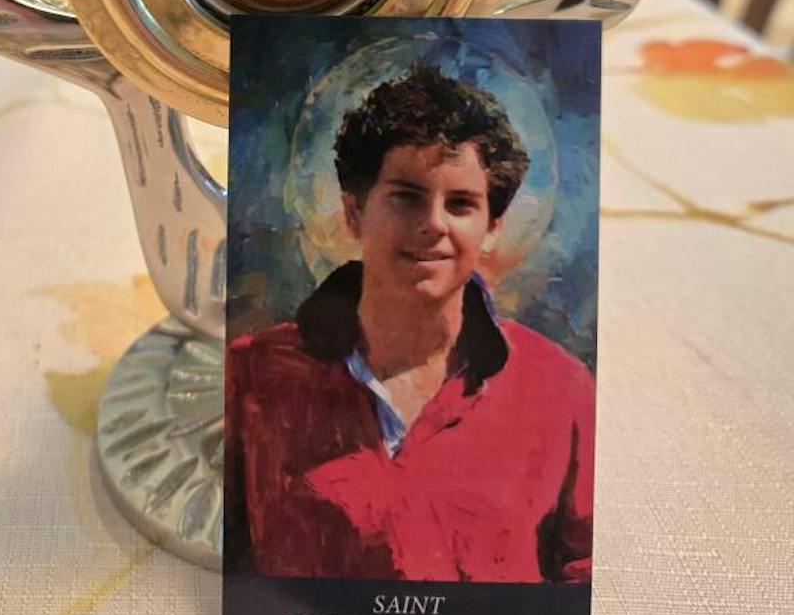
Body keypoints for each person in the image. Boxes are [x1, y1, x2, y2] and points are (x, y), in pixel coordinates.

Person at [225, 63, 594, 583]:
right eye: (406, 197)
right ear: (355, 212)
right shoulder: (252, 375)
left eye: (461, 204)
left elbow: (582, 579)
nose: (433, 224)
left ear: (492, 228)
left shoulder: (560, 388)